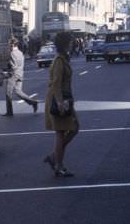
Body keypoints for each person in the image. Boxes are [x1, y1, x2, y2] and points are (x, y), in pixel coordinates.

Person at [43, 32, 79, 177]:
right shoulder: (59, 60)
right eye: (70, 42)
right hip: (59, 100)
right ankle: (58, 164)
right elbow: (57, 84)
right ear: (65, 44)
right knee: (62, 132)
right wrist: (59, 103)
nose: (72, 44)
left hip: (65, 99)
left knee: (73, 128)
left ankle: (54, 158)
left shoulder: (63, 58)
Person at [5, 38, 38, 116]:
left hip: (14, 74)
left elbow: (14, 66)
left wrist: (7, 69)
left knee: (8, 93)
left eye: (9, 44)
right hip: (20, 74)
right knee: (18, 91)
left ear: (12, 45)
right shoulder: (20, 52)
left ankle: (9, 112)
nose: (9, 46)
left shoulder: (12, 53)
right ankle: (33, 102)